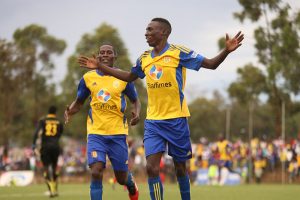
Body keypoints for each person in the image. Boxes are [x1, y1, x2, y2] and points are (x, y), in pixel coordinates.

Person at [78, 17, 244, 200]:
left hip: (177, 120)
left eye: (150, 30)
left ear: (164, 32)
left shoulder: (179, 53)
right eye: (146, 30)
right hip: (153, 122)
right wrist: (100, 66)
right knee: (151, 168)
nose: (146, 33)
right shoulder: (144, 58)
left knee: (180, 167)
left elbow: (211, 64)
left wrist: (226, 51)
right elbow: (128, 77)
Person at [65, 44, 140, 200]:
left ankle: (130, 183)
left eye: (109, 52)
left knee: (120, 178)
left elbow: (135, 100)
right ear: (98, 57)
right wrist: (70, 110)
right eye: (102, 53)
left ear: (115, 57)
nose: (105, 55)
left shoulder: (122, 78)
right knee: (96, 171)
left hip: (118, 134)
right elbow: (79, 102)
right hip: (96, 133)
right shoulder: (88, 78)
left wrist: (137, 113)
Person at [32, 105, 63, 198]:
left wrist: (34, 144)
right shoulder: (59, 122)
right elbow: (60, 133)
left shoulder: (43, 121)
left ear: (48, 112)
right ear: (55, 113)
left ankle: (50, 190)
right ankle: (55, 189)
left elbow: (36, 133)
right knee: (54, 168)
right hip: (56, 147)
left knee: (45, 168)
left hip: (45, 147)